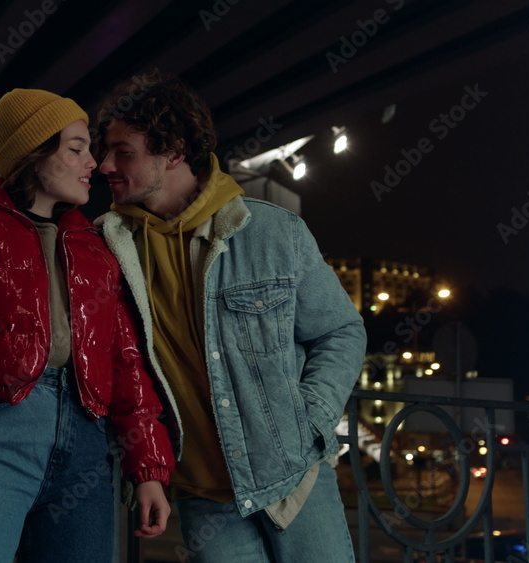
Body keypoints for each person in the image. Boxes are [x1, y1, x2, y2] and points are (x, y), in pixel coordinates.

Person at [94, 70, 366, 562]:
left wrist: (311, 421)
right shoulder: (109, 246)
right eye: (104, 150)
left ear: (175, 152)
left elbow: (341, 330)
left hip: (292, 476)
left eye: (123, 151)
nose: (103, 164)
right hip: (201, 495)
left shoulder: (273, 232)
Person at [0, 88, 175, 563]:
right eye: (76, 148)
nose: (95, 162)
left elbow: (126, 362)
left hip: (87, 446)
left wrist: (148, 469)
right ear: (33, 154)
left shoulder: (97, 247)